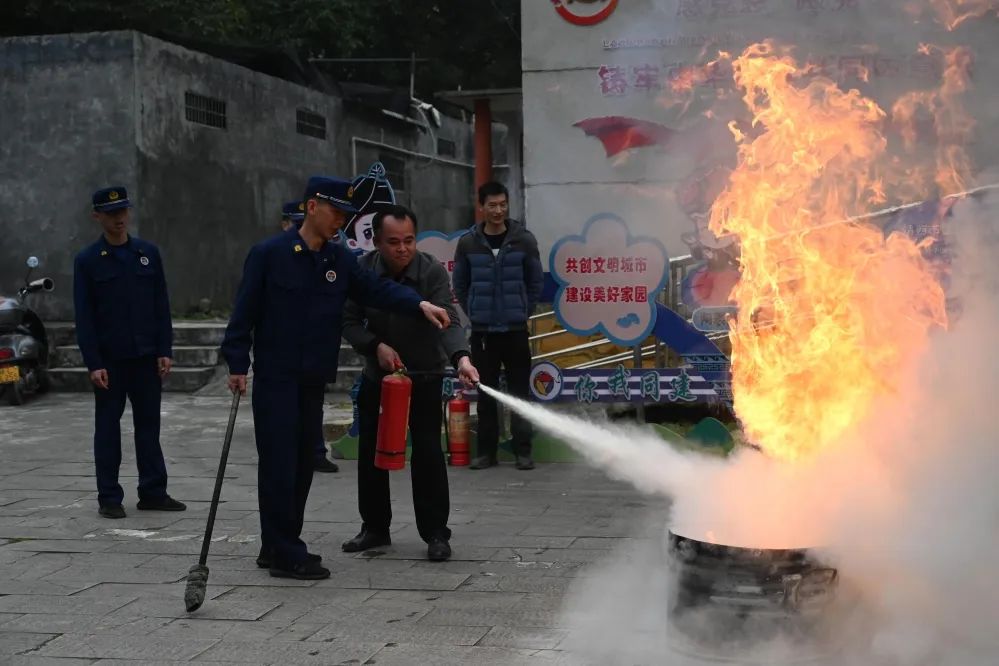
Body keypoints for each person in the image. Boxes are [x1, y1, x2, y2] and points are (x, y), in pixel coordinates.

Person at [221, 176, 451, 580]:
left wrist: (419, 304)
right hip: (277, 377)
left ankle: (277, 543)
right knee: (279, 464)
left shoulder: (338, 260)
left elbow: (377, 291)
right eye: (336, 212)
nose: (341, 222)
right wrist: (237, 363)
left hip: (313, 378)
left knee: (303, 465)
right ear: (312, 207)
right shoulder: (269, 254)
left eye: (347, 215)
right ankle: (286, 551)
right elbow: (244, 313)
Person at [341, 205, 480, 562]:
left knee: (428, 450)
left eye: (409, 240)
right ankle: (374, 527)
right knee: (372, 448)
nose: (403, 249)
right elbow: (349, 321)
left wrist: (461, 358)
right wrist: (376, 346)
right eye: (393, 242)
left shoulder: (431, 271)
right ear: (376, 241)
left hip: (424, 375)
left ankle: (436, 532)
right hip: (379, 375)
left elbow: (448, 320)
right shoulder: (363, 271)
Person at [73, 186, 186, 519]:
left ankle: (153, 491)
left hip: (146, 358)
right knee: (108, 429)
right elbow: (85, 316)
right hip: (110, 362)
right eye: (110, 214)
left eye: (122, 211)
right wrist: (93, 362)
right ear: (97, 217)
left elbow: (161, 305)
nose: (118, 218)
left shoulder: (147, 254)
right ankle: (109, 496)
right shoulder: (88, 260)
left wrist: (165, 349)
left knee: (149, 427)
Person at [453, 181, 544, 471]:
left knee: (520, 393)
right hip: (483, 334)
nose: (498, 210)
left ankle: (523, 451)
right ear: (481, 206)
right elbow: (461, 285)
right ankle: (486, 453)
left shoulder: (524, 240)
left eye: (503, 204)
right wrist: (475, 312)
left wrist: (523, 310)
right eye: (492, 205)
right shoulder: (468, 243)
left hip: (515, 331)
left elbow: (535, 281)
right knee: (485, 394)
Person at [280, 200, 340, 474]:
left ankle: (315, 451)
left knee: (313, 409)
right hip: (282, 360)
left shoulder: (333, 257)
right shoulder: (272, 255)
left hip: (316, 357)